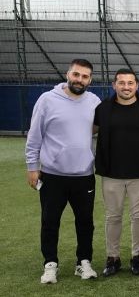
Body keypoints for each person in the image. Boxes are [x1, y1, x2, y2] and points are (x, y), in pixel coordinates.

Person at [27, 59, 101, 284]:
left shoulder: (94, 101)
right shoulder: (47, 100)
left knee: (85, 222)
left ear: (90, 80)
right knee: (50, 221)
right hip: (52, 175)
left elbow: (96, 129)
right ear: (68, 74)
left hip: (84, 175)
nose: (80, 80)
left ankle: (83, 262)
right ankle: (50, 264)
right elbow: (35, 135)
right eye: (76, 74)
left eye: (85, 76)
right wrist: (32, 167)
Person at [93, 69, 139, 277]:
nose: (126, 87)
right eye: (121, 83)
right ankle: (112, 258)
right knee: (113, 216)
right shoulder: (103, 108)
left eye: (130, 83)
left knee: (138, 216)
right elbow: (91, 130)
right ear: (114, 85)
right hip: (111, 173)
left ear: (137, 86)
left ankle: (136, 256)